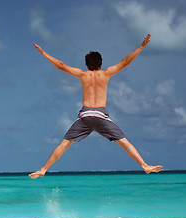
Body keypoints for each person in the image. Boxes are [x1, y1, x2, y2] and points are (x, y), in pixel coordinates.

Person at [29, 34, 162, 179]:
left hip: (85, 116)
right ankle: (145, 165)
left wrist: (43, 53)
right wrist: (141, 46)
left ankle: (43, 169)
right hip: (100, 116)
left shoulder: (82, 75)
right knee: (123, 142)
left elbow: (61, 66)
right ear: (101, 64)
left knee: (64, 144)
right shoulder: (106, 74)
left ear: (86, 65)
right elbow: (125, 62)